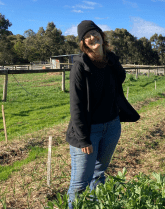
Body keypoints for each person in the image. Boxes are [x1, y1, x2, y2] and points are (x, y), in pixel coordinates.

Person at [65, 20, 140, 208]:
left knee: (99, 175)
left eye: (94, 32)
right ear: (83, 43)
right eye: (86, 36)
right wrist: (83, 139)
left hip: (112, 126)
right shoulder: (80, 66)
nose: (92, 37)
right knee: (80, 183)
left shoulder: (110, 59)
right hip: (89, 131)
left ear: (101, 35)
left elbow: (121, 77)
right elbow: (76, 105)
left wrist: (108, 56)